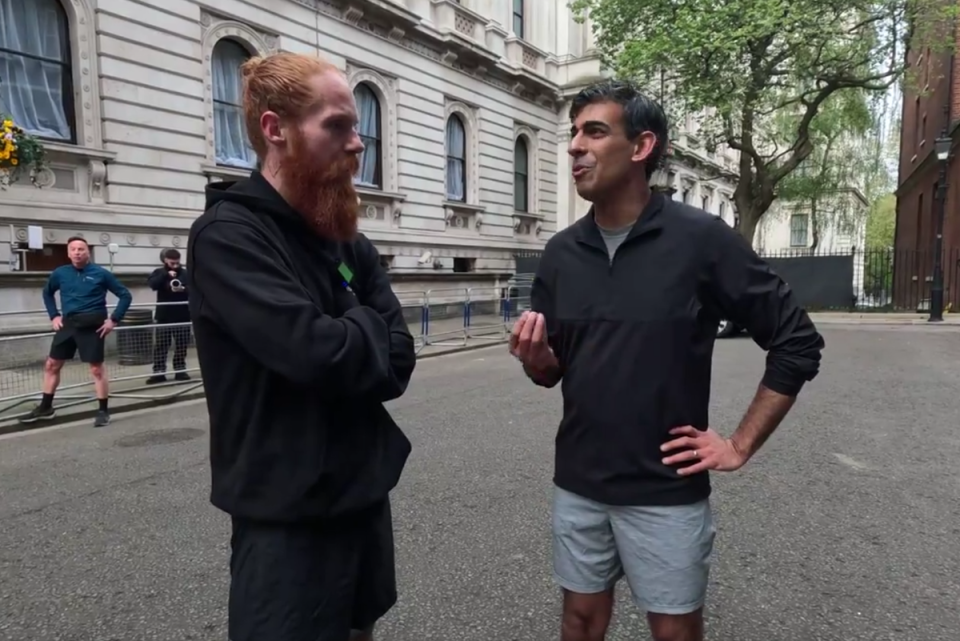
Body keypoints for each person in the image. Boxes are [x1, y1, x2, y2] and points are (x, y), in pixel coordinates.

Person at [509, 79, 825, 641]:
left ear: (641, 147)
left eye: (595, 131)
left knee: (674, 630)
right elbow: (554, 371)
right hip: (579, 484)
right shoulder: (559, 254)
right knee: (579, 621)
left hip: (666, 490)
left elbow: (796, 341)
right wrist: (537, 361)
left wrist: (738, 444)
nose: (575, 146)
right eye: (573, 133)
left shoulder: (702, 239)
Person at [187, 52, 416, 641]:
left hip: (361, 495)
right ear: (275, 129)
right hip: (286, 516)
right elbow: (317, 354)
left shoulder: (345, 239)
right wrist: (364, 320)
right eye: (336, 126)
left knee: (361, 630)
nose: (357, 144)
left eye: (357, 126)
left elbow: (398, 362)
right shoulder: (230, 236)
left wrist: (345, 329)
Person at [20, 236, 133, 428]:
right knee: (51, 365)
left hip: (92, 326)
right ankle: (46, 408)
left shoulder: (101, 273)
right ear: (68, 252)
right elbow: (47, 293)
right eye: (73, 249)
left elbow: (125, 295)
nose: (77, 252)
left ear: (88, 251)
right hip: (68, 324)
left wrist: (113, 320)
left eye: (81, 249)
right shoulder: (60, 273)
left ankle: (103, 411)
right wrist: (54, 315)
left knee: (96, 369)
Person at [146, 248, 191, 384]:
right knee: (161, 345)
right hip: (164, 315)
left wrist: (182, 288)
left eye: (177, 263)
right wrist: (166, 274)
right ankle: (159, 372)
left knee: (181, 345)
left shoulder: (185, 273)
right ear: (165, 261)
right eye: (172, 263)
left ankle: (180, 370)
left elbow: (195, 288)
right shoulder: (159, 272)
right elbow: (152, 285)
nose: (175, 266)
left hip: (182, 315)